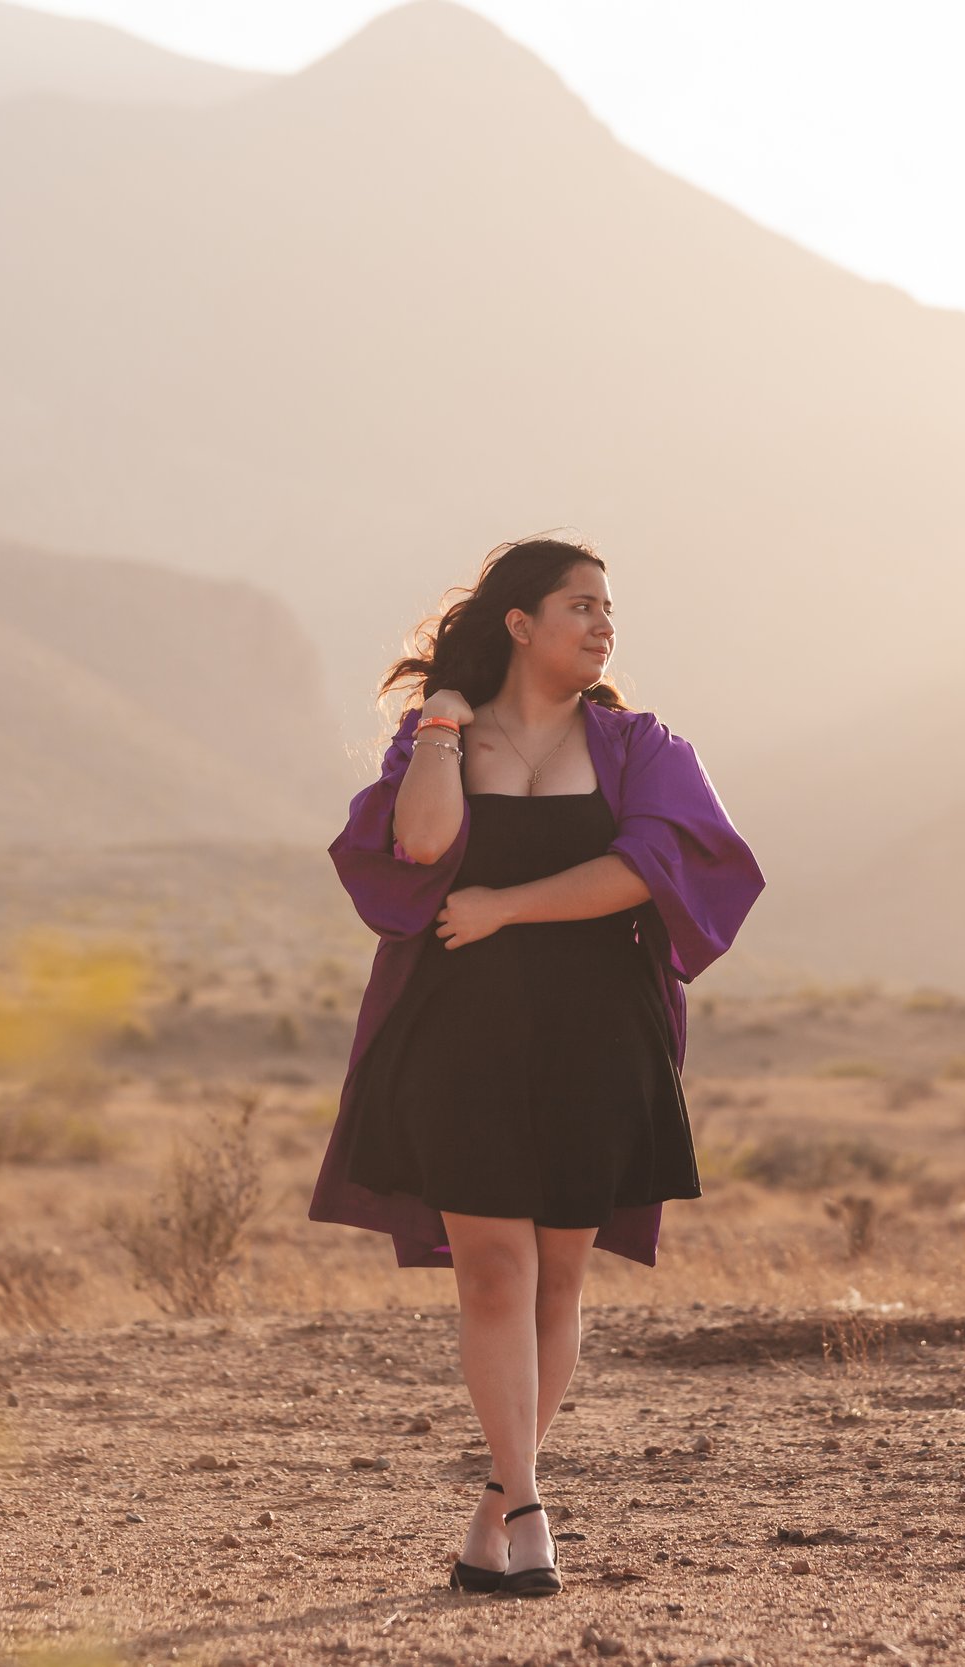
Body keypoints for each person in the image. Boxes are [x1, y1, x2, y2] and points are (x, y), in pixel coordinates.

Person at [308, 534, 765, 1599]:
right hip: (461, 1032)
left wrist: (507, 904)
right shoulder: (445, 737)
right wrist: (439, 721)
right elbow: (417, 845)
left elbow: (647, 871)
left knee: (560, 1276)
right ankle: (525, 1501)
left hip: (596, 1030)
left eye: (608, 607)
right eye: (580, 604)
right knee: (494, 1271)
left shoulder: (640, 743)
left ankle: (491, 1506)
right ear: (520, 623)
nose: (604, 623)